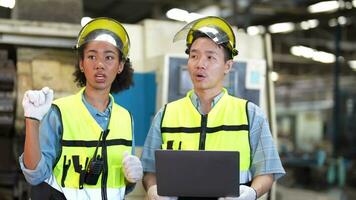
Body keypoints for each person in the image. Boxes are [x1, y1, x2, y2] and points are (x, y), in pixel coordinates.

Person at [141, 16, 285, 200]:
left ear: (227, 66)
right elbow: (149, 170)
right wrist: (153, 189)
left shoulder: (250, 114)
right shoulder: (166, 115)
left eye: (210, 57)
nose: (200, 64)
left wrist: (251, 192)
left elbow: (267, 170)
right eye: (194, 56)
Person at [19, 17, 143, 200]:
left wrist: (131, 179)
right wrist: (32, 120)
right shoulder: (58, 112)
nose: (99, 64)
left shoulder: (126, 118)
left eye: (109, 57)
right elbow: (35, 175)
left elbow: (120, 187)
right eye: (92, 56)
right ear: (81, 64)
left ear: (120, 66)